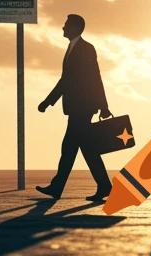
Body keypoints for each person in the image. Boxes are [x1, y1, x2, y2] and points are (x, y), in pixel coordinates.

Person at [35, 13, 113, 202]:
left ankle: (58, 187)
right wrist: (48, 101)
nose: (63, 27)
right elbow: (66, 80)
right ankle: (104, 185)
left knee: (69, 148)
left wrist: (103, 106)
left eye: (66, 25)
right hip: (78, 108)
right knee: (85, 149)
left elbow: (95, 77)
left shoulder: (86, 48)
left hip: (83, 108)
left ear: (75, 28)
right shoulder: (73, 47)